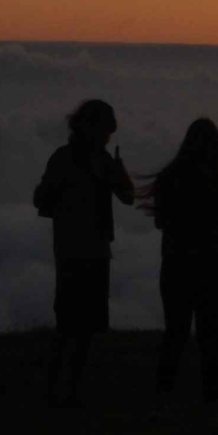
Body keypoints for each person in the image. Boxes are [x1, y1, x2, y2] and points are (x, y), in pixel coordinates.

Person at [136, 117, 218, 407]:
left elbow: (159, 222)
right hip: (210, 267)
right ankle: (211, 403)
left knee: (175, 335)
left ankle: (163, 398)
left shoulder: (169, 178)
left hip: (175, 266)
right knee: (209, 339)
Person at [33, 98, 135, 407]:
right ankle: (56, 390)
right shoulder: (67, 160)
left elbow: (127, 196)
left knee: (85, 327)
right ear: (90, 127)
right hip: (75, 251)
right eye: (105, 131)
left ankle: (69, 389)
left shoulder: (97, 160)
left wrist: (119, 173)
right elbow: (43, 200)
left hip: (91, 250)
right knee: (68, 326)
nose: (107, 138)